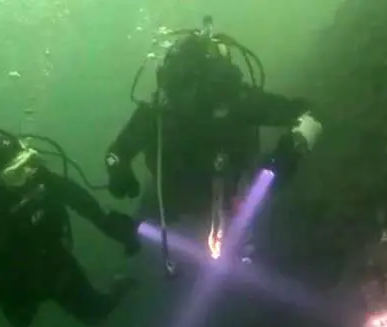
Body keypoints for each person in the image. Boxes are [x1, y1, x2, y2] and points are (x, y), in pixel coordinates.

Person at [104, 16, 323, 269]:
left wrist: (289, 153)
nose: (185, 97)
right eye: (178, 84)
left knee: (254, 234)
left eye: (191, 83)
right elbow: (116, 153)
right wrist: (118, 171)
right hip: (174, 198)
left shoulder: (236, 101)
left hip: (228, 193)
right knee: (145, 219)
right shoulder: (156, 115)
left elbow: (308, 114)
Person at [0, 128, 141, 327]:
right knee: (21, 319)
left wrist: (108, 223)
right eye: (15, 172)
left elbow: (72, 194)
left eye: (25, 163)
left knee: (96, 312)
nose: (27, 175)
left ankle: (119, 286)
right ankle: (18, 304)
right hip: (2, 278)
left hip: (48, 256)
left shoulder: (32, 173)